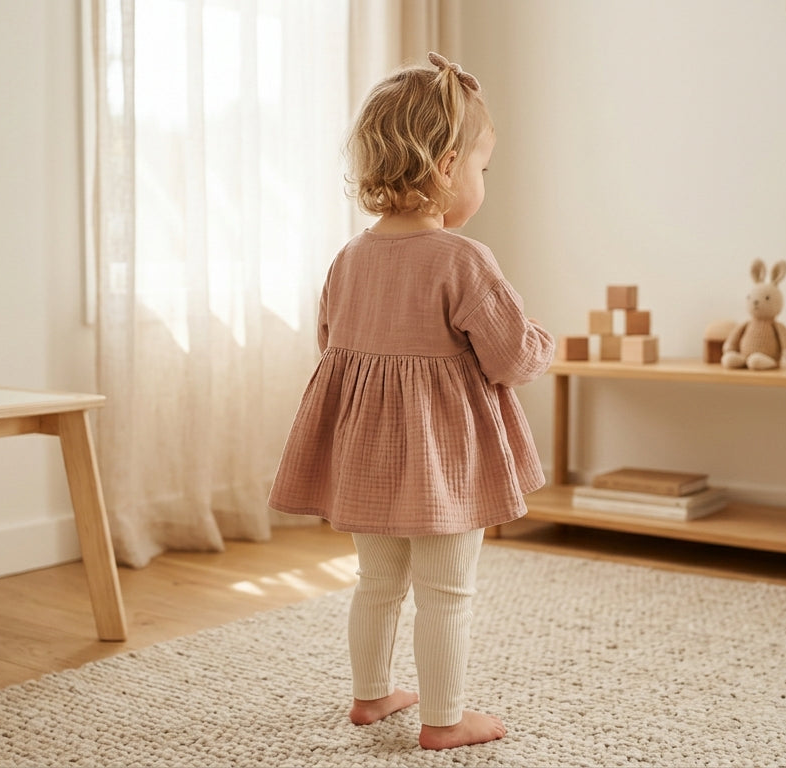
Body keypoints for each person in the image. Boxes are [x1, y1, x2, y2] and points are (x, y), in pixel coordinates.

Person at [267, 52, 554, 751]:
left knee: (376, 581)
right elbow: (512, 358)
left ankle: (371, 695)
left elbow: (331, 346)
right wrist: (545, 342)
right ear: (448, 165)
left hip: (364, 456)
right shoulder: (463, 260)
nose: (483, 181)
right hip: (444, 461)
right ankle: (444, 720)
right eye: (483, 167)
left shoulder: (348, 258)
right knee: (446, 591)